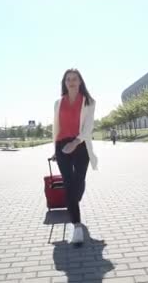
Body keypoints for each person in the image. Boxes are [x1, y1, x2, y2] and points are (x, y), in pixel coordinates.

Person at [51, 68, 98, 246]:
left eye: (74, 79)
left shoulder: (89, 102)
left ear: (80, 82)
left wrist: (76, 142)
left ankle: (73, 202)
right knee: (69, 183)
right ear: (64, 82)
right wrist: (56, 149)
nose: (71, 82)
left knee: (79, 181)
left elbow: (88, 127)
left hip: (81, 145)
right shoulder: (58, 103)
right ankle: (77, 226)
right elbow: (56, 128)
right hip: (62, 145)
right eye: (68, 79)